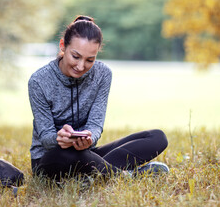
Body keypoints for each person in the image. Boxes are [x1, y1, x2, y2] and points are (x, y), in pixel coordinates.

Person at [28, 15, 169, 180]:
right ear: (62, 46)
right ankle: (125, 176)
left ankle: (95, 171)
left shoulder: (103, 74)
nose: (81, 66)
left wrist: (89, 137)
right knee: (66, 155)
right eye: (75, 56)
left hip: (86, 154)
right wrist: (59, 139)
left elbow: (95, 125)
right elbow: (45, 137)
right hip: (51, 158)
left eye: (90, 60)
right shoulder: (38, 81)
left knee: (157, 137)